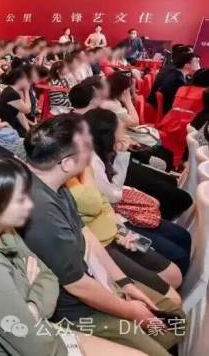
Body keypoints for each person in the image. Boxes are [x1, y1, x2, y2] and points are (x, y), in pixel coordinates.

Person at [0, 154, 140, 356]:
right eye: (20, 200)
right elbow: (35, 345)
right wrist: (33, 299)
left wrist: (32, 306)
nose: (30, 205)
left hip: (41, 333)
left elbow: (48, 275)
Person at [20, 115, 185, 354]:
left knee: (175, 317)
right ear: (67, 163)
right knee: (165, 331)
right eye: (87, 149)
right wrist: (130, 311)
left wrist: (124, 283)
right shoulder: (41, 212)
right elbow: (77, 286)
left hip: (95, 278)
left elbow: (86, 233)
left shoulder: (54, 184)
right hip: (75, 310)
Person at [85, 109, 191, 277]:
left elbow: (114, 190)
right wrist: (121, 155)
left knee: (182, 236)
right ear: (108, 136)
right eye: (120, 131)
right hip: (111, 221)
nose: (124, 135)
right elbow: (114, 195)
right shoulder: (91, 161)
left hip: (113, 214)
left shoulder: (100, 155)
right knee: (178, 253)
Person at [0, 68, 32, 137]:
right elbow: (27, 110)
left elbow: (19, 113)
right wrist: (26, 91)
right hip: (7, 130)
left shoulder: (9, 90)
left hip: (11, 126)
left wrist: (28, 129)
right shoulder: (11, 94)